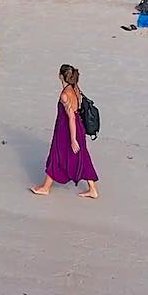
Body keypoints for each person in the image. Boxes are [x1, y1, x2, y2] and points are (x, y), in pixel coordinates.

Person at [31, 64, 99, 199]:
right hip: (77, 128)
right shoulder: (76, 89)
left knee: (57, 155)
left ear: (61, 76)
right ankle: (93, 190)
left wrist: (73, 139)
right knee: (82, 156)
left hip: (67, 130)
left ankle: (45, 188)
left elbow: (71, 117)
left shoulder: (65, 95)